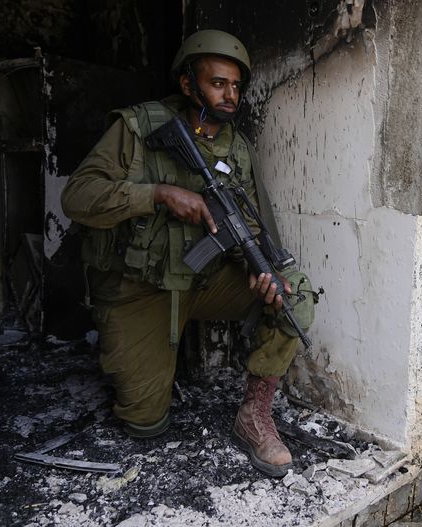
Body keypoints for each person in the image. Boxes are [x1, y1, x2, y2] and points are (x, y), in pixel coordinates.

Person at [60, 29, 314, 477]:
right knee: (144, 423)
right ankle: (146, 357)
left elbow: (251, 226)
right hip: (140, 287)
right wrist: (156, 194)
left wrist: (262, 271)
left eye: (236, 86)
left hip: (202, 281)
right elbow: (77, 197)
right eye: (218, 83)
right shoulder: (138, 127)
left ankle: (254, 415)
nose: (229, 94)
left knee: (294, 294)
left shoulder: (236, 148)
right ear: (187, 84)